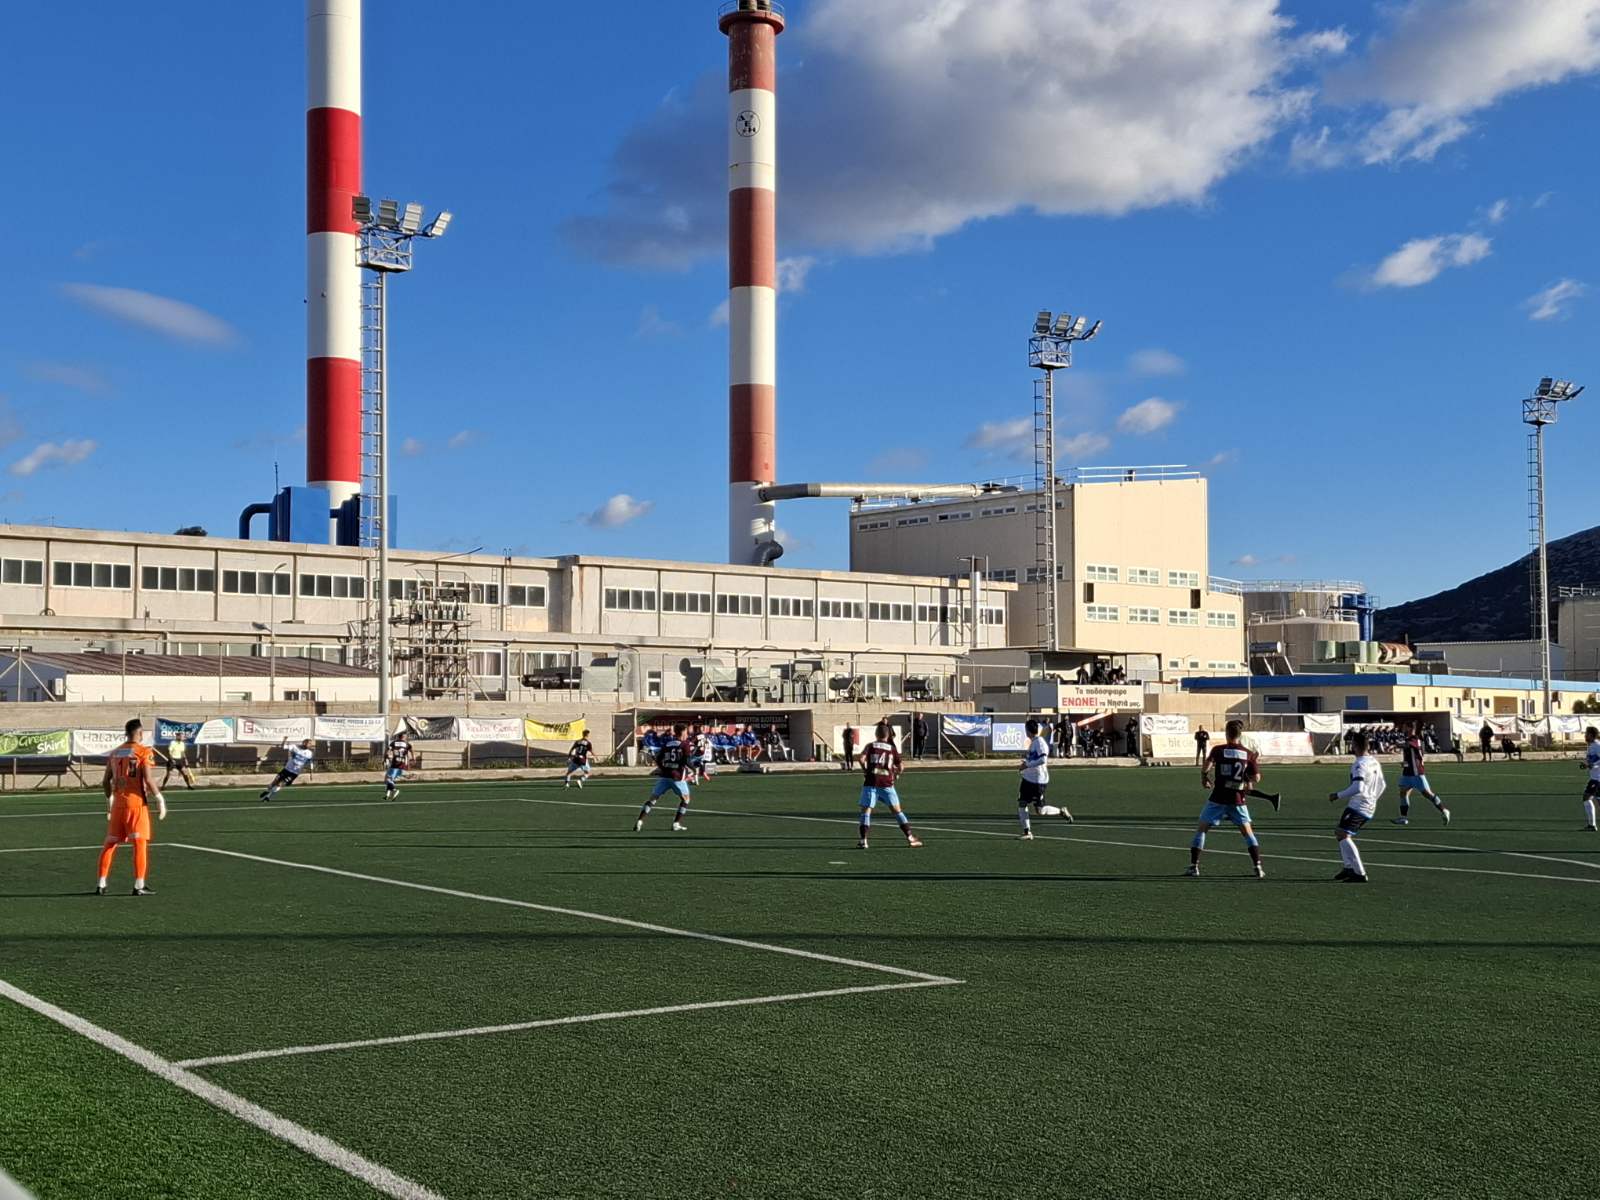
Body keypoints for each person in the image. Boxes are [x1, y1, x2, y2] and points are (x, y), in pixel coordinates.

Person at [96, 719, 166, 896]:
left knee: (110, 843)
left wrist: (110, 800)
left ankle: (101, 883)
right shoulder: (143, 751)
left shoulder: (115, 753)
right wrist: (159, 798)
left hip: (118, 805)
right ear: (140, 733)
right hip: (136, 804)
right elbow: (148, 779)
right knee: (139, 843)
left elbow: (105, 781)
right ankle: (139, 884)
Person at [1190, 720, 1267, 879]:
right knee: (1248, 833)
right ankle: (1258, 867)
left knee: (1202, 829)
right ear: (1240, 735)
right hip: (1237, 799)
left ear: (1226, 733)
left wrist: (1204, 777)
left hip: (1218, 798)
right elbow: (1256, 778)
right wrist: (1246, 778)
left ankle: (1194, 867)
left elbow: (1207, 766)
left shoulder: (1218, 750)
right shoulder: (1248, 753)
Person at [1328, 729, 1385, 884]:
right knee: (1340, 832)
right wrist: (1373, 799)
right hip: (1366, 805)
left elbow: (1358, 787)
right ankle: (1348, 867)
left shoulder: (1360, 764)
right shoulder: (1373, 761)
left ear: (1355, 745)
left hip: (1359, 806)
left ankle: (1359, 873)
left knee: (1343, 834)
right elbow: (1382, 785)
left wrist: (1337, 795)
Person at [857, 722, 921, 850]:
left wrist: (865, 770)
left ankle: (864, 841)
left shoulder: (870, 746)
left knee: (866, 811)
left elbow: (861, 759)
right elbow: (901, 767)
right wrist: (896, 775)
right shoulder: (891, 748)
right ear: (888, 736)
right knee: (897, 811)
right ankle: (910, 838)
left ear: (876, 734)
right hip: (886, 783)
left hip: (871, 781)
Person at [1016, 718, 1071, 840]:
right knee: (1022, 803)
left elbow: (1043, 760)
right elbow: (1033, 760)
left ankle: (1061, 811)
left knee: (1040, 810)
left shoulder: (1040, 743)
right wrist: (1024, 765)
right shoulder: (1034, 742)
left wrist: (1027, 765)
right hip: (1027, 779)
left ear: (1027, 730)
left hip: (1038, 781)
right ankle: (1027, 832)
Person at [635, 723, 692, 832]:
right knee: (686, 799)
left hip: (665, 776)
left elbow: (658, 758)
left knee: (653, 799)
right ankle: (676, 823)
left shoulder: (668, 744)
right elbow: (686, 760)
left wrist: (663, 768)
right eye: (685, 732)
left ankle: (640, 820)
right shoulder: (684, 744)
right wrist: (693, 769)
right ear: (682, 732)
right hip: (677, 776)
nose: (687, 734)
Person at [1393, 723, 1449, 825]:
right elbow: (1412, 755)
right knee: (1403, 793)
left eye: (1405, 727)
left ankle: (1444, 810)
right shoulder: (1409, 739)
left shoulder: (1415, 739)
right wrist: (1405, 763)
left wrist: (1395, 744)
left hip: (1417, 773)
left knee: (1427, 794)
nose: (1403, 729)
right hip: (1407, 773)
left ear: (1410, 728)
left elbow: (1406, 745)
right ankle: (1403, 818)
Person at [382, 732, 413, 801]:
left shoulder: (394, 743)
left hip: (395, 764)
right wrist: (413, 759)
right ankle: (387, 795)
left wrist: (385, 758)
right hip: (401, 764)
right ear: (403, 737)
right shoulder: (406, 744)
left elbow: (388, 750)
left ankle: (394, 790)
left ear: (399, 737)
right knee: (389, 779)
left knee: (388, 779)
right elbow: (411, 750)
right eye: (405, 736)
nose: (406, 737)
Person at [1582, 725, 1600, 832]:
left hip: (1597, 779)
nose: (1585, 736)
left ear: (1592, 735)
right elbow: (1591, 761)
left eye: (1587, 734)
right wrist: (1586, 765)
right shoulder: (1590, 746)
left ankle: (1592, 825)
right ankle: (1592, 825)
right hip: (1595, 777)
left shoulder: (1597, 745)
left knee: (1586, 797)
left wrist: (1593, 765)